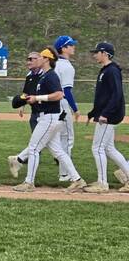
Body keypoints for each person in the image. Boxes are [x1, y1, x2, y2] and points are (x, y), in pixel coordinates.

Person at [12, 47, 86, 193]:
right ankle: (78, 180)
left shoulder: (51, 75)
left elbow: (59, 94)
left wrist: (38, 98)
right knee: (58, 151)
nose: (37, 59)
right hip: (48, 117)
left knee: (33, 148)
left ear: (46, 59)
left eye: (40, 57)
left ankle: (29, 183)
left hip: (49, 117)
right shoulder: (44, 76)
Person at [83, 43, 129, 193]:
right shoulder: (106, 70)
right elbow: (103, 97)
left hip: (109, 116)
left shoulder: (112, 71)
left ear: (105, 53)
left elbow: (117, 95)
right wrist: (93, 113)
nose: (95, 55)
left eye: (97, 52)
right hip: (106, 114)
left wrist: (105, 114)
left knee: (97, 148)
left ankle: (102, 183)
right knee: (109, 148)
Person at [8, 52, 44, 177]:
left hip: (46, 114)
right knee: (39, 144)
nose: (28, 62)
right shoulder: (30, 76)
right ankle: (18, 160)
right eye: (27, 59)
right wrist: (22, 105)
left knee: (41, 144)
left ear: (40, 60)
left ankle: (18, 160)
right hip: (37, 114)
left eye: (31, 59)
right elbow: (26, 93)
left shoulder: (45, 75)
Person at [54, 35, 79, 181]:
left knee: (53, 138)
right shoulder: (67, 66)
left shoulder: (54, 64)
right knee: (67, 139)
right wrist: (75, 109)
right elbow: (67, 91)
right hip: (62, 103)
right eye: (70, 45)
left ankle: (20, 158)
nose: (73, 47)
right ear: (63, 48)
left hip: (52, 104)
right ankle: (65, 173)